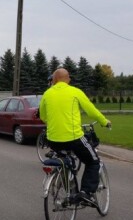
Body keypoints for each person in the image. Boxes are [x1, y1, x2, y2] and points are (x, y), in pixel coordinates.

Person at [39, 68, 111, 205]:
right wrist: (104, 122)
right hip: (74, 138)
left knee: (66, 159)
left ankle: (69, 187)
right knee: (93, 161)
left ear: (54, 80)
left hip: (53, 140)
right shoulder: (75, 92)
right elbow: (91, 110)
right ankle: (85, 192)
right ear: (68, 79)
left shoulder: (47, 94)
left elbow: (43, 116)